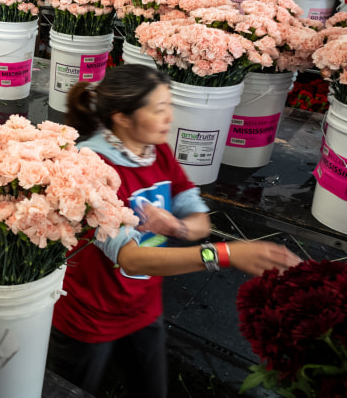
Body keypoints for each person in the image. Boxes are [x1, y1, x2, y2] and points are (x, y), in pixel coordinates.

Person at [46, 64, 302, 398]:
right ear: (123, 117)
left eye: (170, 106)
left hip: (143, 308)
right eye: (159, 109)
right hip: (88, 316)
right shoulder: (92, 167)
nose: (169, 118)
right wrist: (225, 254)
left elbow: (199, 220)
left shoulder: (157, 150)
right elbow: (132, 259)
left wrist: (176, 225)